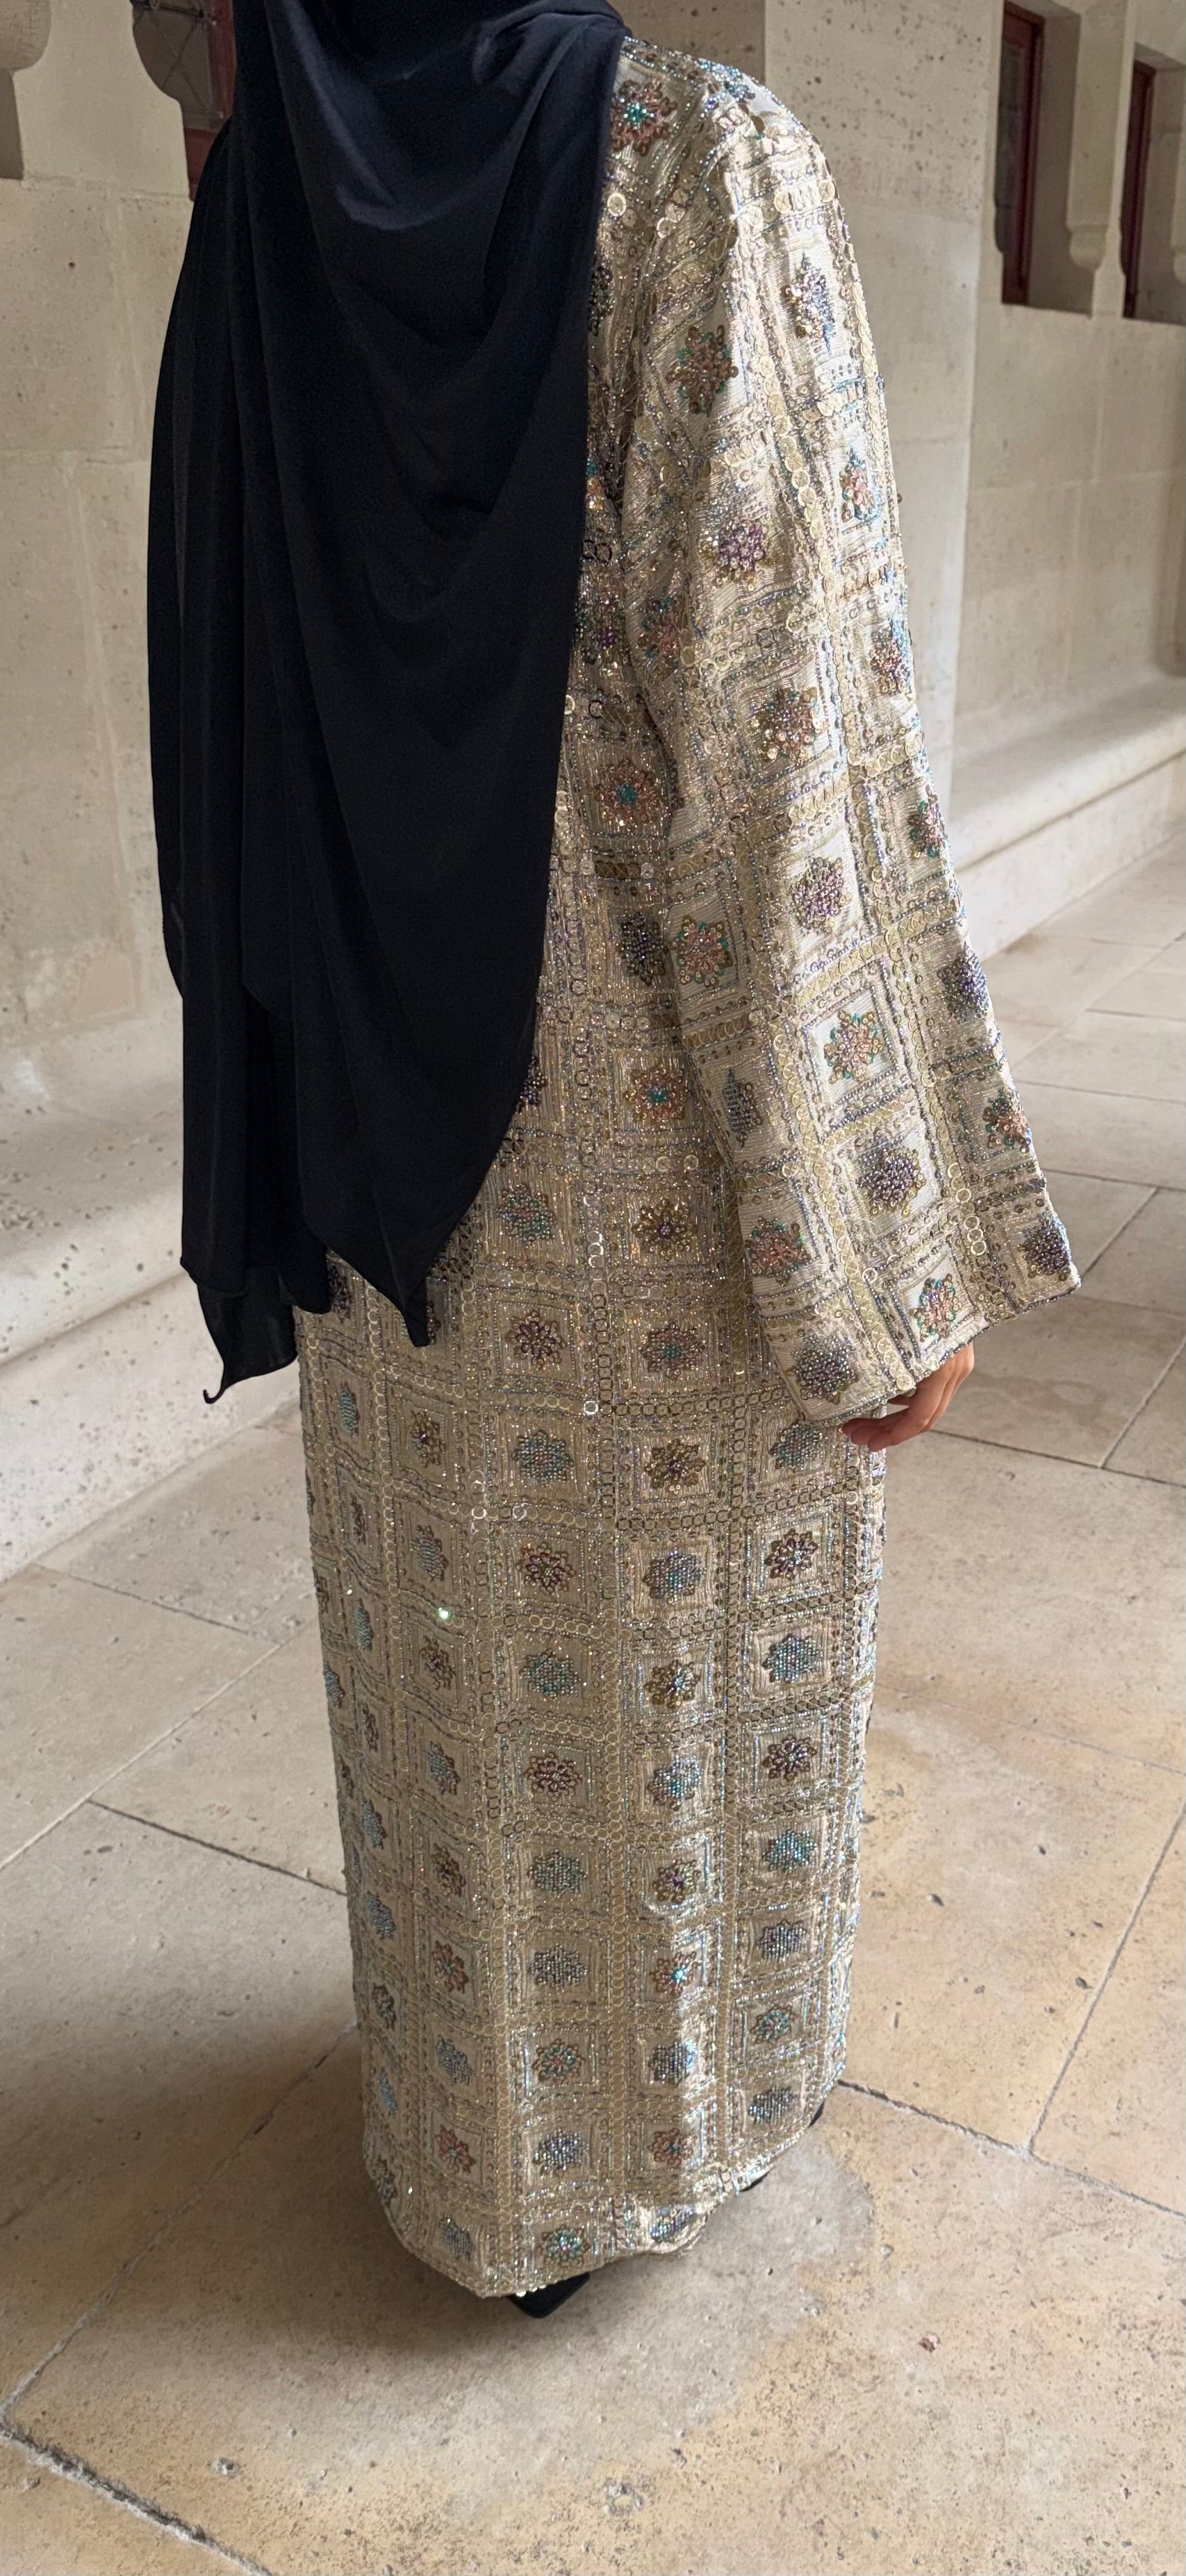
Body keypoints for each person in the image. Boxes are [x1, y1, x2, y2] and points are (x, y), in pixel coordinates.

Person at [148, 3, 1078, 2316]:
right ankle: (629, 2163)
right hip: (650, 1164)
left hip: (383, 1126)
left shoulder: (267, 184)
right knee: (653, 1680)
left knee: (460, 1664)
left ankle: (471, 2148)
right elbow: (784, 737)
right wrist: (874, 1253)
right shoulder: (691, 159)